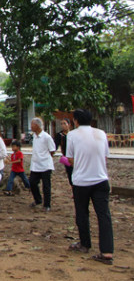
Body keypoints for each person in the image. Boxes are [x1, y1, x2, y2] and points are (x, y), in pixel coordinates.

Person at [66, 109, 114, 265]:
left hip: (82, 181)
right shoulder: (101, 133)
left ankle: (85, 244)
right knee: (104, 215)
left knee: (82, 213)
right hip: (101, 179)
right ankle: (107, 251)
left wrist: (80, 164)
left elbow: (70, 159)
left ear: (76, 120)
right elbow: (105, 156)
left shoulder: (72, 135)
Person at [28, 117, 56, 211]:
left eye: (32, 125)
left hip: (45, 165)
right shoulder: (34, 136)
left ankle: (47, 204)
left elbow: (52, 151)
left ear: (37, 125)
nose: (31, 127)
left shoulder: (46, 137)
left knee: (46, 185)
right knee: (32, 182)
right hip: (36, 164)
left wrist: (45, 158)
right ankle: (38, 199)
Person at [55, 118, 74, 188]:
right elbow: (55, 146)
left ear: (69, 125)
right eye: (61, 124)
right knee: (70, 174)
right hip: (66, 158)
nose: (63, 125)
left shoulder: (73, 134)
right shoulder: (59, 135)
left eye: (64, 123)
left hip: (75, 157)